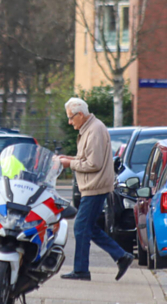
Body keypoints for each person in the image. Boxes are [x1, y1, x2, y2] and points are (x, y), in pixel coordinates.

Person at [57, 97, 134, 282]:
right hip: (93, 186)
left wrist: (68, 163)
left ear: (80, 115)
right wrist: (67, 157)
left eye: (71, 117)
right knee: (88, 227)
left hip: (95, 187)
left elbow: (93, 163)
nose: (69, 122)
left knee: (81, 227)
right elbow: (85, 157)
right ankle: (121, 256)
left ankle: (81, 270)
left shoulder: (94, 130)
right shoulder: (90, 128)